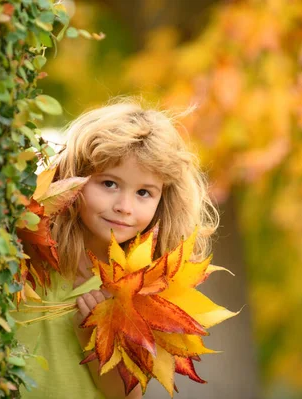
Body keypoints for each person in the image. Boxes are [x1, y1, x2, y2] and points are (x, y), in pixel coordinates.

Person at [15, 99, 218, 399]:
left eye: (143, 193)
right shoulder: (29, 247)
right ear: (75, 179)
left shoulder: (144, 288)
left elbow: (126, 396)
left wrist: (91, 337)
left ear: (162, 201)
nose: (124, 207)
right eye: (109, 184)